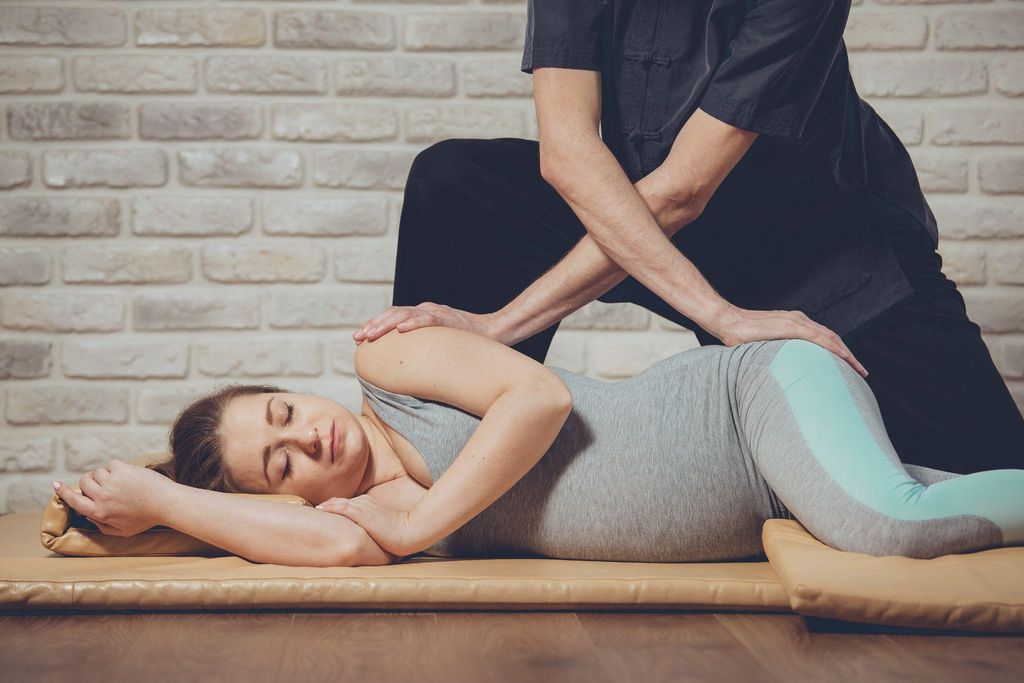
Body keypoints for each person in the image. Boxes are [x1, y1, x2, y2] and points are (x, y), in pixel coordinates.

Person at [351, 0, 1024, 475]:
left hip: (821, 246)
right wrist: (494, 329)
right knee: (454, 183)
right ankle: (423, 461)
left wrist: (724, 318)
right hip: (649, 215)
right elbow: (568, 153)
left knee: (997, 469)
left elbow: (685, 189)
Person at [53, 327, 1024, 568]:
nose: (306, 434)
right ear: (283, 496)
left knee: (887, 529)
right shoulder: (357, 520)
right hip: (771, 491)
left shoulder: (386, 359)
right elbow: (342, 551)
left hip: (749, 399)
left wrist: (424, 516)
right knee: (946, 500)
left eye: (280, 411)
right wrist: (161, 497)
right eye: (283, 462)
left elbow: (537, 391)